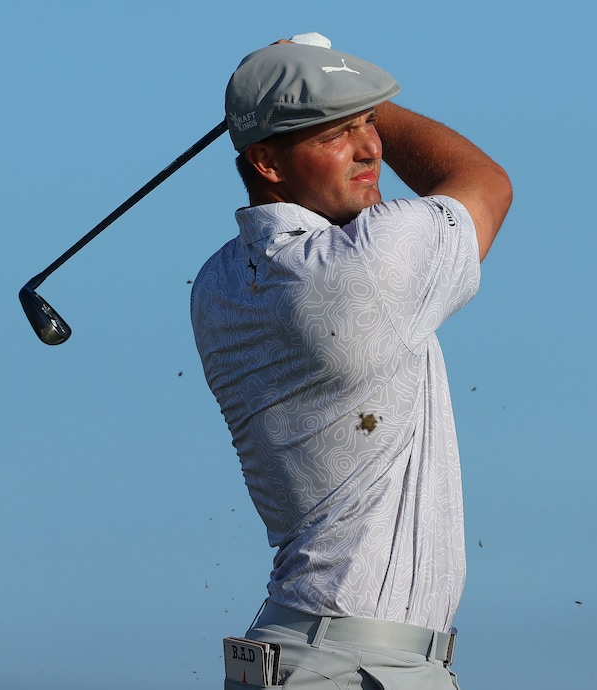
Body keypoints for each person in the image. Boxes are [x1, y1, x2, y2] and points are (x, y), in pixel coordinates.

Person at [190, 33, 512, 690]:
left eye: (369, 123)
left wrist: (327, 85)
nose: (372, 148)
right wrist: (352, 81)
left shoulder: (218, 281)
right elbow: (486, 183)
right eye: (336, 132)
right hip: (357, 666)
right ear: (267, 161)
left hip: (305, 653)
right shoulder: (362, 268)